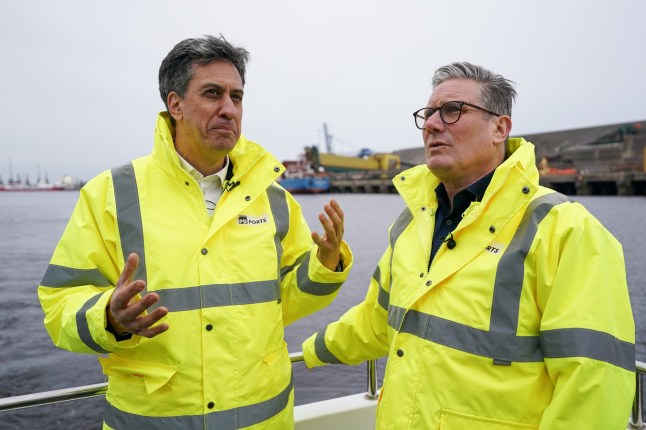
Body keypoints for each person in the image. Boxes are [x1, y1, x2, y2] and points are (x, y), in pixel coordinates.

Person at [38, 35, 353, 430]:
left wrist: (324, 265)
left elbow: (282, 303)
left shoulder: (274, 200)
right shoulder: (111, 195)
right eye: (212, 93)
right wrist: (110, 319)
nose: (228, 109)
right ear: (175, 105)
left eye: (236, 97)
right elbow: (58, 304)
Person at [302, 62, 635, 429]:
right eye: (427, 114)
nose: (430, 124)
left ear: (499, 128)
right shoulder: (413, 224)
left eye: (451, 110)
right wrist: (304, 353)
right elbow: (377, 320)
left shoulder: (565, 230)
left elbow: (594, 386)